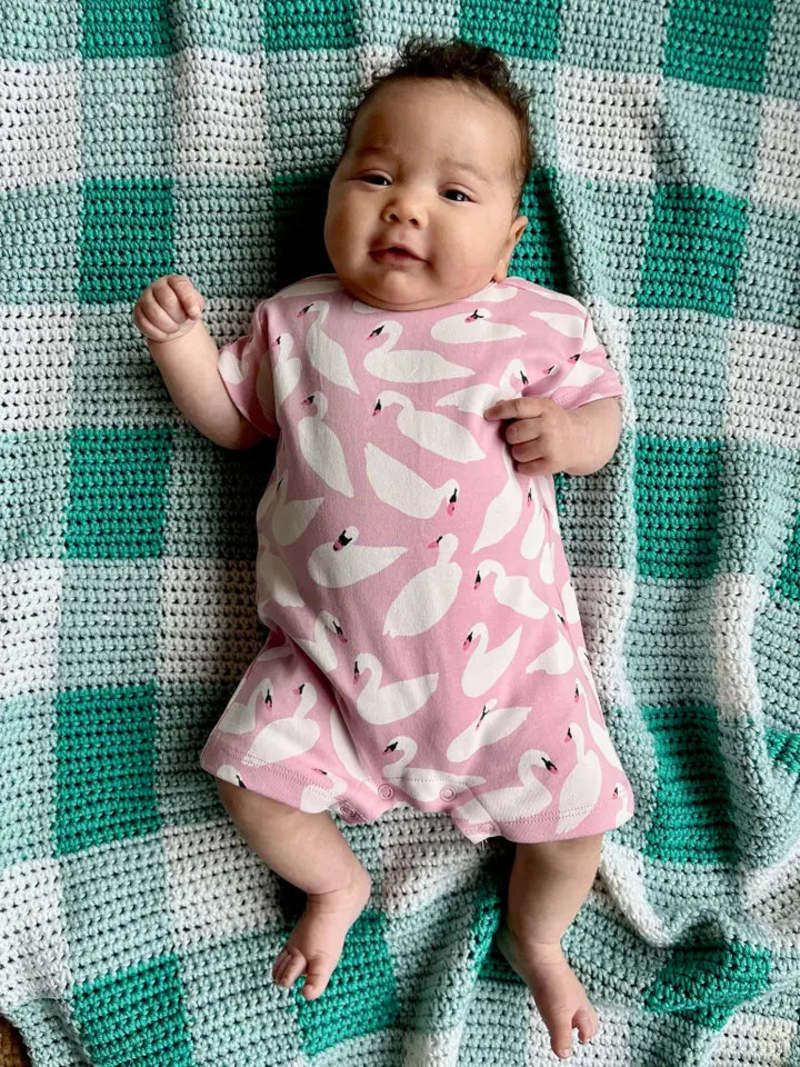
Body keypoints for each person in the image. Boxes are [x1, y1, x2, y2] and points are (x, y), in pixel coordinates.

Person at [133, 37, 634, 1061]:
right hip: (327, 670)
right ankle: (335, 882)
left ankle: (537, 935)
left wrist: (571, 435)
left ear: (508, 242)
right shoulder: (295, 320)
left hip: (511, 677)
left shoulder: (534, 323)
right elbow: (232, 417)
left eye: (454, 192)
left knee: (580, 818)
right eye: (374, 177)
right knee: (244, 772)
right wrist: (182, 348)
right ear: (333, 197)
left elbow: (605, 416)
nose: (404, 208)